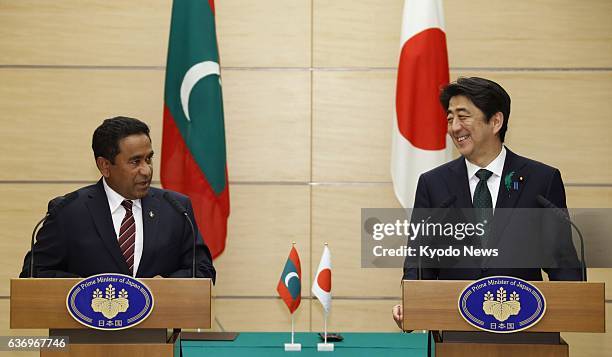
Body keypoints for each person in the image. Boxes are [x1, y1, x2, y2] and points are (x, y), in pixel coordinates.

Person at [392, 77, 581, 327]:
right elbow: (420, 261)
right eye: (450, 119)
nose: (454, 127)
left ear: (495, 122)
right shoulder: (433, 185)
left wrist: (576, 303)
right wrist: (413, 304)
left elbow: (561, 262)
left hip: (527, 330)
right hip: (454, 331)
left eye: (463, 116)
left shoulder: (541, 180)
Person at [20, 116, 216, 281]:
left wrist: (165, 288)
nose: (146, 170)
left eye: (148, 159)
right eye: (135, 161)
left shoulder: (175, 208)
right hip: (87, 326)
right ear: (105, 166)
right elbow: (33, 273)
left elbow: (202, 270)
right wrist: (85, 289)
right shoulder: (68, 212)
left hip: (157, 325)